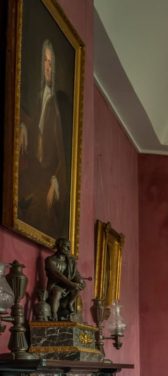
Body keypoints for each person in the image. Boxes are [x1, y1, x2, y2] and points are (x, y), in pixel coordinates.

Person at [18, 39, 68, 237]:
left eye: (50, 63)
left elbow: (63, 154)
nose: (47, 67)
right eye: (45, 61)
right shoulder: (38, 98)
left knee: (38, 209)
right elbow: (31, 124)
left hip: (47, 175)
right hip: (32, 170)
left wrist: (55, 182)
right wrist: (21, 124)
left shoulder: (58, 107)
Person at [44, 237, 85, 321]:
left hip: (67, 286)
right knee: (57, 292)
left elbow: (76, 274)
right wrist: (71, 284)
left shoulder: (70, 262)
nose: (69, 249)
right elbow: (58, 275)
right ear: (59, 246)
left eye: (69, 247)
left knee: (77, 288)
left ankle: (70, 303)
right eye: (66, 246)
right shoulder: (50, 260)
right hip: (55, 286)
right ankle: (54, 314)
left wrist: (81, 282)